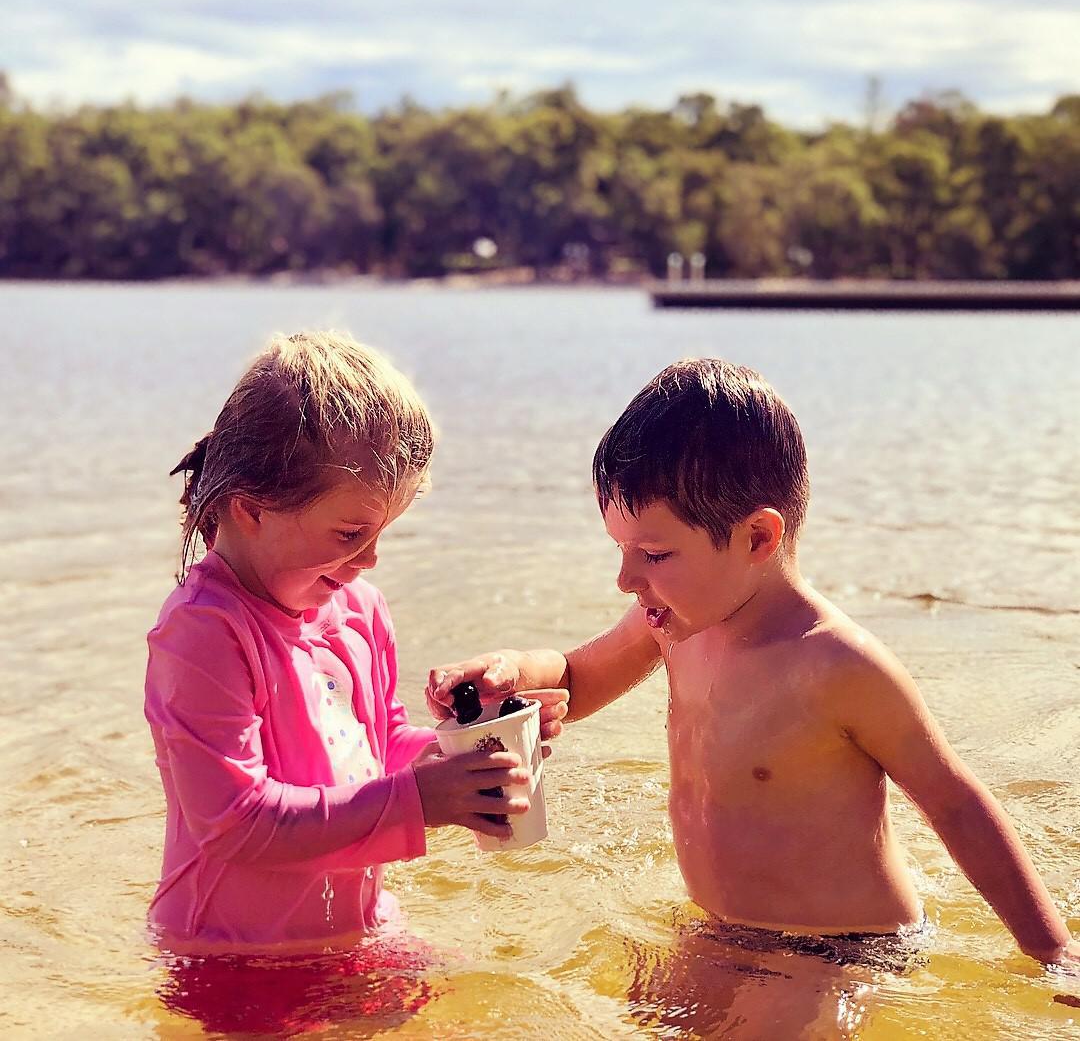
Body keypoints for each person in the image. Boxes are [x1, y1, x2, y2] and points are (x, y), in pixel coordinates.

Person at [428, 357, 1079, 974]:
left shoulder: (834, 664)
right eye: (621, 549)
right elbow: (577, 675)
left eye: (653, 555)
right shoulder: (672, 622)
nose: (626, 579)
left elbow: (954, 802)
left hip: (838, 951)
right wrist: (514, 670)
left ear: (758, 538)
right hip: (720, 929)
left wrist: (1051, 953)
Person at [144, 331, 567, 951]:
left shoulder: (358, 609)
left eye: (382, 531)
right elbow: (233, 823)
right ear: (251, 510)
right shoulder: (202, 630)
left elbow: (379, 747)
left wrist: (467, 760)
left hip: (361, 933)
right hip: (229, 953)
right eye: (349, 533)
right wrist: (419, 801)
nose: (369, 558)